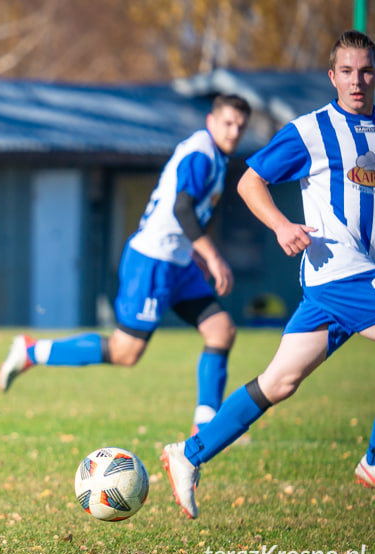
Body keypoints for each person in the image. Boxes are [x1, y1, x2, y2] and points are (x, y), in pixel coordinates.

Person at [162, 29, 375, 520]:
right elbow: (250, 180)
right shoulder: (311, 131)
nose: (357, 80)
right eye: (347, 71)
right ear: (332, 76)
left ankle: (188, 455)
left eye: (365, 71)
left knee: (278, 382)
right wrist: (280, 225)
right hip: (336, 272)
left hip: (346, 281)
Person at [0, 94, 251, 435]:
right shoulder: (201, 153)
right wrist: (212, 255)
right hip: (152, 262)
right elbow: (182, 209)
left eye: (240, 126)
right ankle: (32, 351)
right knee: (125, 352)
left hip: (178, 262)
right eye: (228, 123)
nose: (234, 132)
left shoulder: (216, 158)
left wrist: (195, 254)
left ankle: (205, 427)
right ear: (211, 121)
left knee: (221, 330)